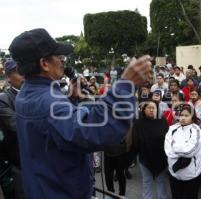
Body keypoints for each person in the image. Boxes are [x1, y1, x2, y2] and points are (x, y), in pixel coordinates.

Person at [8, 28, 151, 199]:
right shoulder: (48, 102)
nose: (63, 61)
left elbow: (56, 130)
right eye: (59, 57)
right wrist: (125, 86)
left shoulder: (26, 93)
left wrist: (71, 100)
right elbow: (99, 130)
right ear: (45, 64)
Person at [164, 104, 201, 199]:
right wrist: (182, 148)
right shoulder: (172, 129)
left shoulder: (197, 131)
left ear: (192, 117)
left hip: (191, 175)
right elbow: (168, 151)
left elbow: (190, 151)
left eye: (187, 115)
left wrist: (175, 146)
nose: (183, 118)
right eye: (181, 115)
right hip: (174, 174)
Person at [132, 100, 169, 199]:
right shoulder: (138, 123)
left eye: (154, 108)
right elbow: (135, 140)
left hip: (161, 157)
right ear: (144, 110)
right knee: (146, 181)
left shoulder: (162, 121)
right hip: (145, 157)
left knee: (161, 181)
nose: (151, 110)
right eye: (149, 108)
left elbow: (168, 138)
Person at [0, 60, 25, 199]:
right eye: (19, 71)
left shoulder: (38, 95)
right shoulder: (4, 100)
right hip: (18, 167)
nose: (24, 75)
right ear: (8, 77)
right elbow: (18, 126)